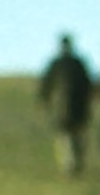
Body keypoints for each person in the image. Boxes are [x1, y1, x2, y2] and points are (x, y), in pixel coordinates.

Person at [37, 36, 93, 174]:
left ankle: (71, 164)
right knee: (71, 137)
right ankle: (72, 164)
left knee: (68, 137)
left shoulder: (59, 64)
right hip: (73, 108)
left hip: (65, 108)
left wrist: (44, 100)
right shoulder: (77, 63)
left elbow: (46, 84)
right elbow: (88, 86)